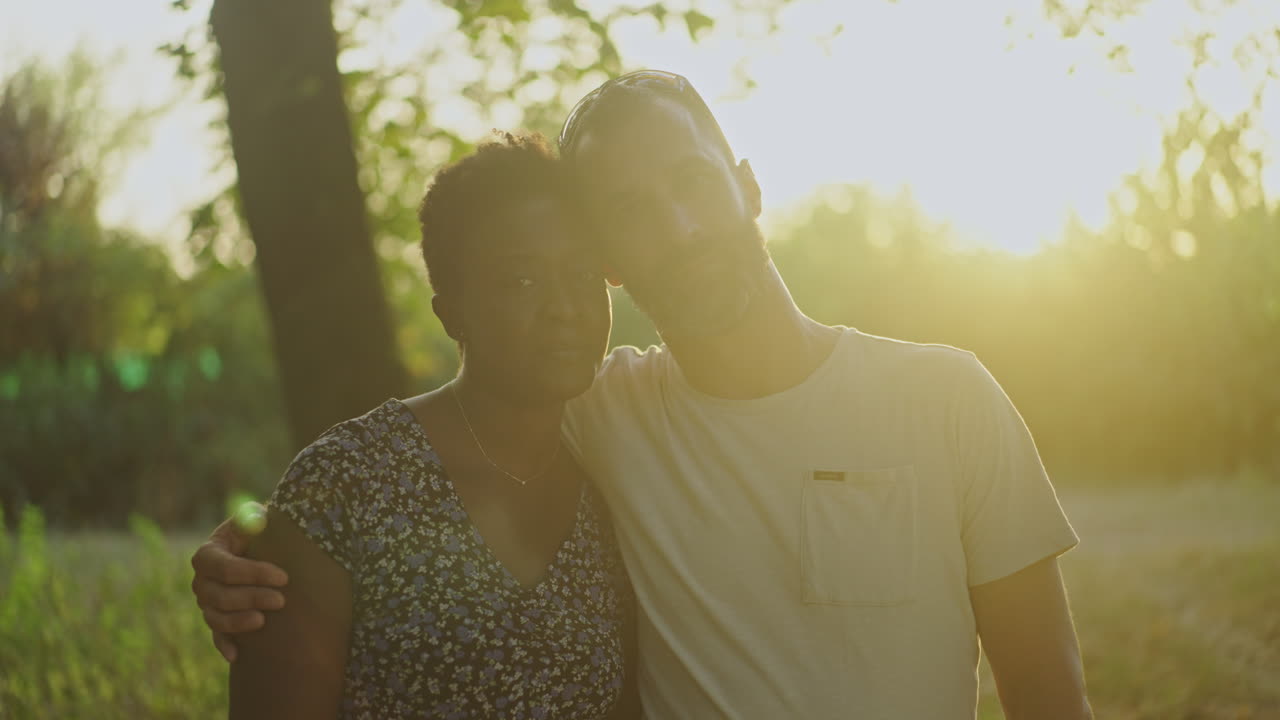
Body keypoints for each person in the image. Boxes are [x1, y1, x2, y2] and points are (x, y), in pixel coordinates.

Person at [193, 71, 1092, 719]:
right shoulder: (604, 408)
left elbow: (1048, 696)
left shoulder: (948, 400)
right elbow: (453, 424)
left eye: (694, 183)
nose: (681, 228)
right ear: (614, 262)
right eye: (630, 210)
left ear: (747, 187)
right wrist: (262, 543)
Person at [214, 132, 637, 719]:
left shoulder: (616, 479)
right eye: (522, 279)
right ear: (450, 311)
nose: (565, 306)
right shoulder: (348, 482)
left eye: (582, 273)